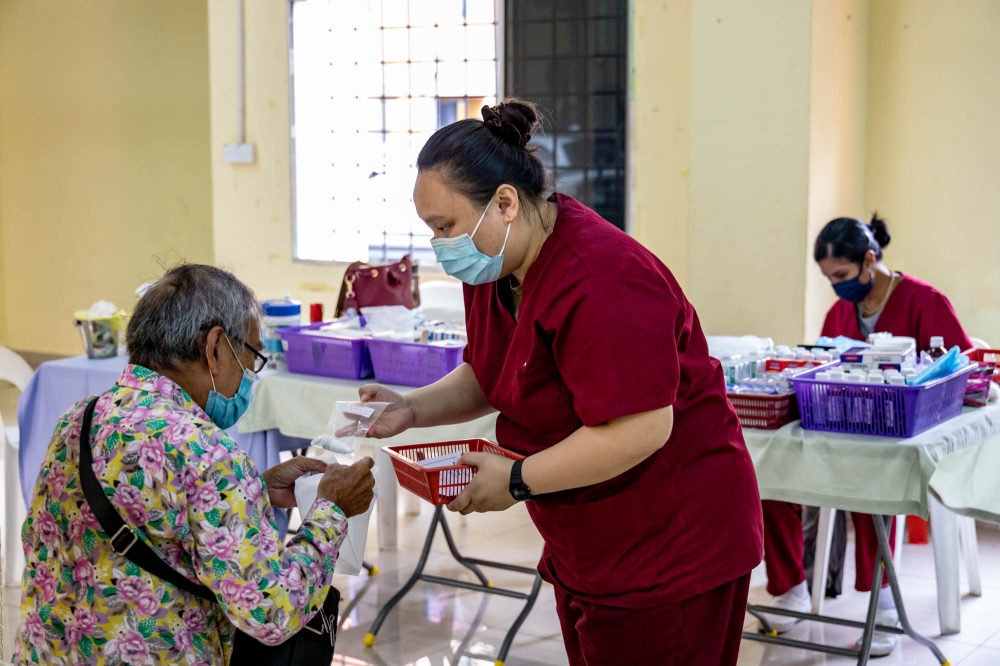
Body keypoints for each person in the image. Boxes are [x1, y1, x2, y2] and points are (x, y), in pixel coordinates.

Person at [361, 100, 764, 665]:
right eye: (431, 230)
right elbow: (493, 371)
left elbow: (641, 427)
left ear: (504, 202)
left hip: (671, 538)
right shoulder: (498, 262)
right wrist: (411, 408)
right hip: (592, 533)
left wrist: (518, 479)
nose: (439, 246)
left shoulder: (602, 279)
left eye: (445, 226)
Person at [13, 264, 375, 666]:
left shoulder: (78, 419)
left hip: (49, 652)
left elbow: (148, 509)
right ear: (216, 347)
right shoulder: (209, 453)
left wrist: (252, 488)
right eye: (252, 357)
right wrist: (332, 510)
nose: (251, 377)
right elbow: (271, 612)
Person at [762, 215, 973, 655]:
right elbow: (820, 367)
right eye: (828, 278)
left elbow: (964, 373)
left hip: (901, 441)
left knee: (870, 477)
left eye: (841, 275)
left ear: (869, 260)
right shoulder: (839, 312)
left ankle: (884, 609)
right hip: (841, 431)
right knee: (769, 474)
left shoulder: (924, 301)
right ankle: (790, 590)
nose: (837, 286)